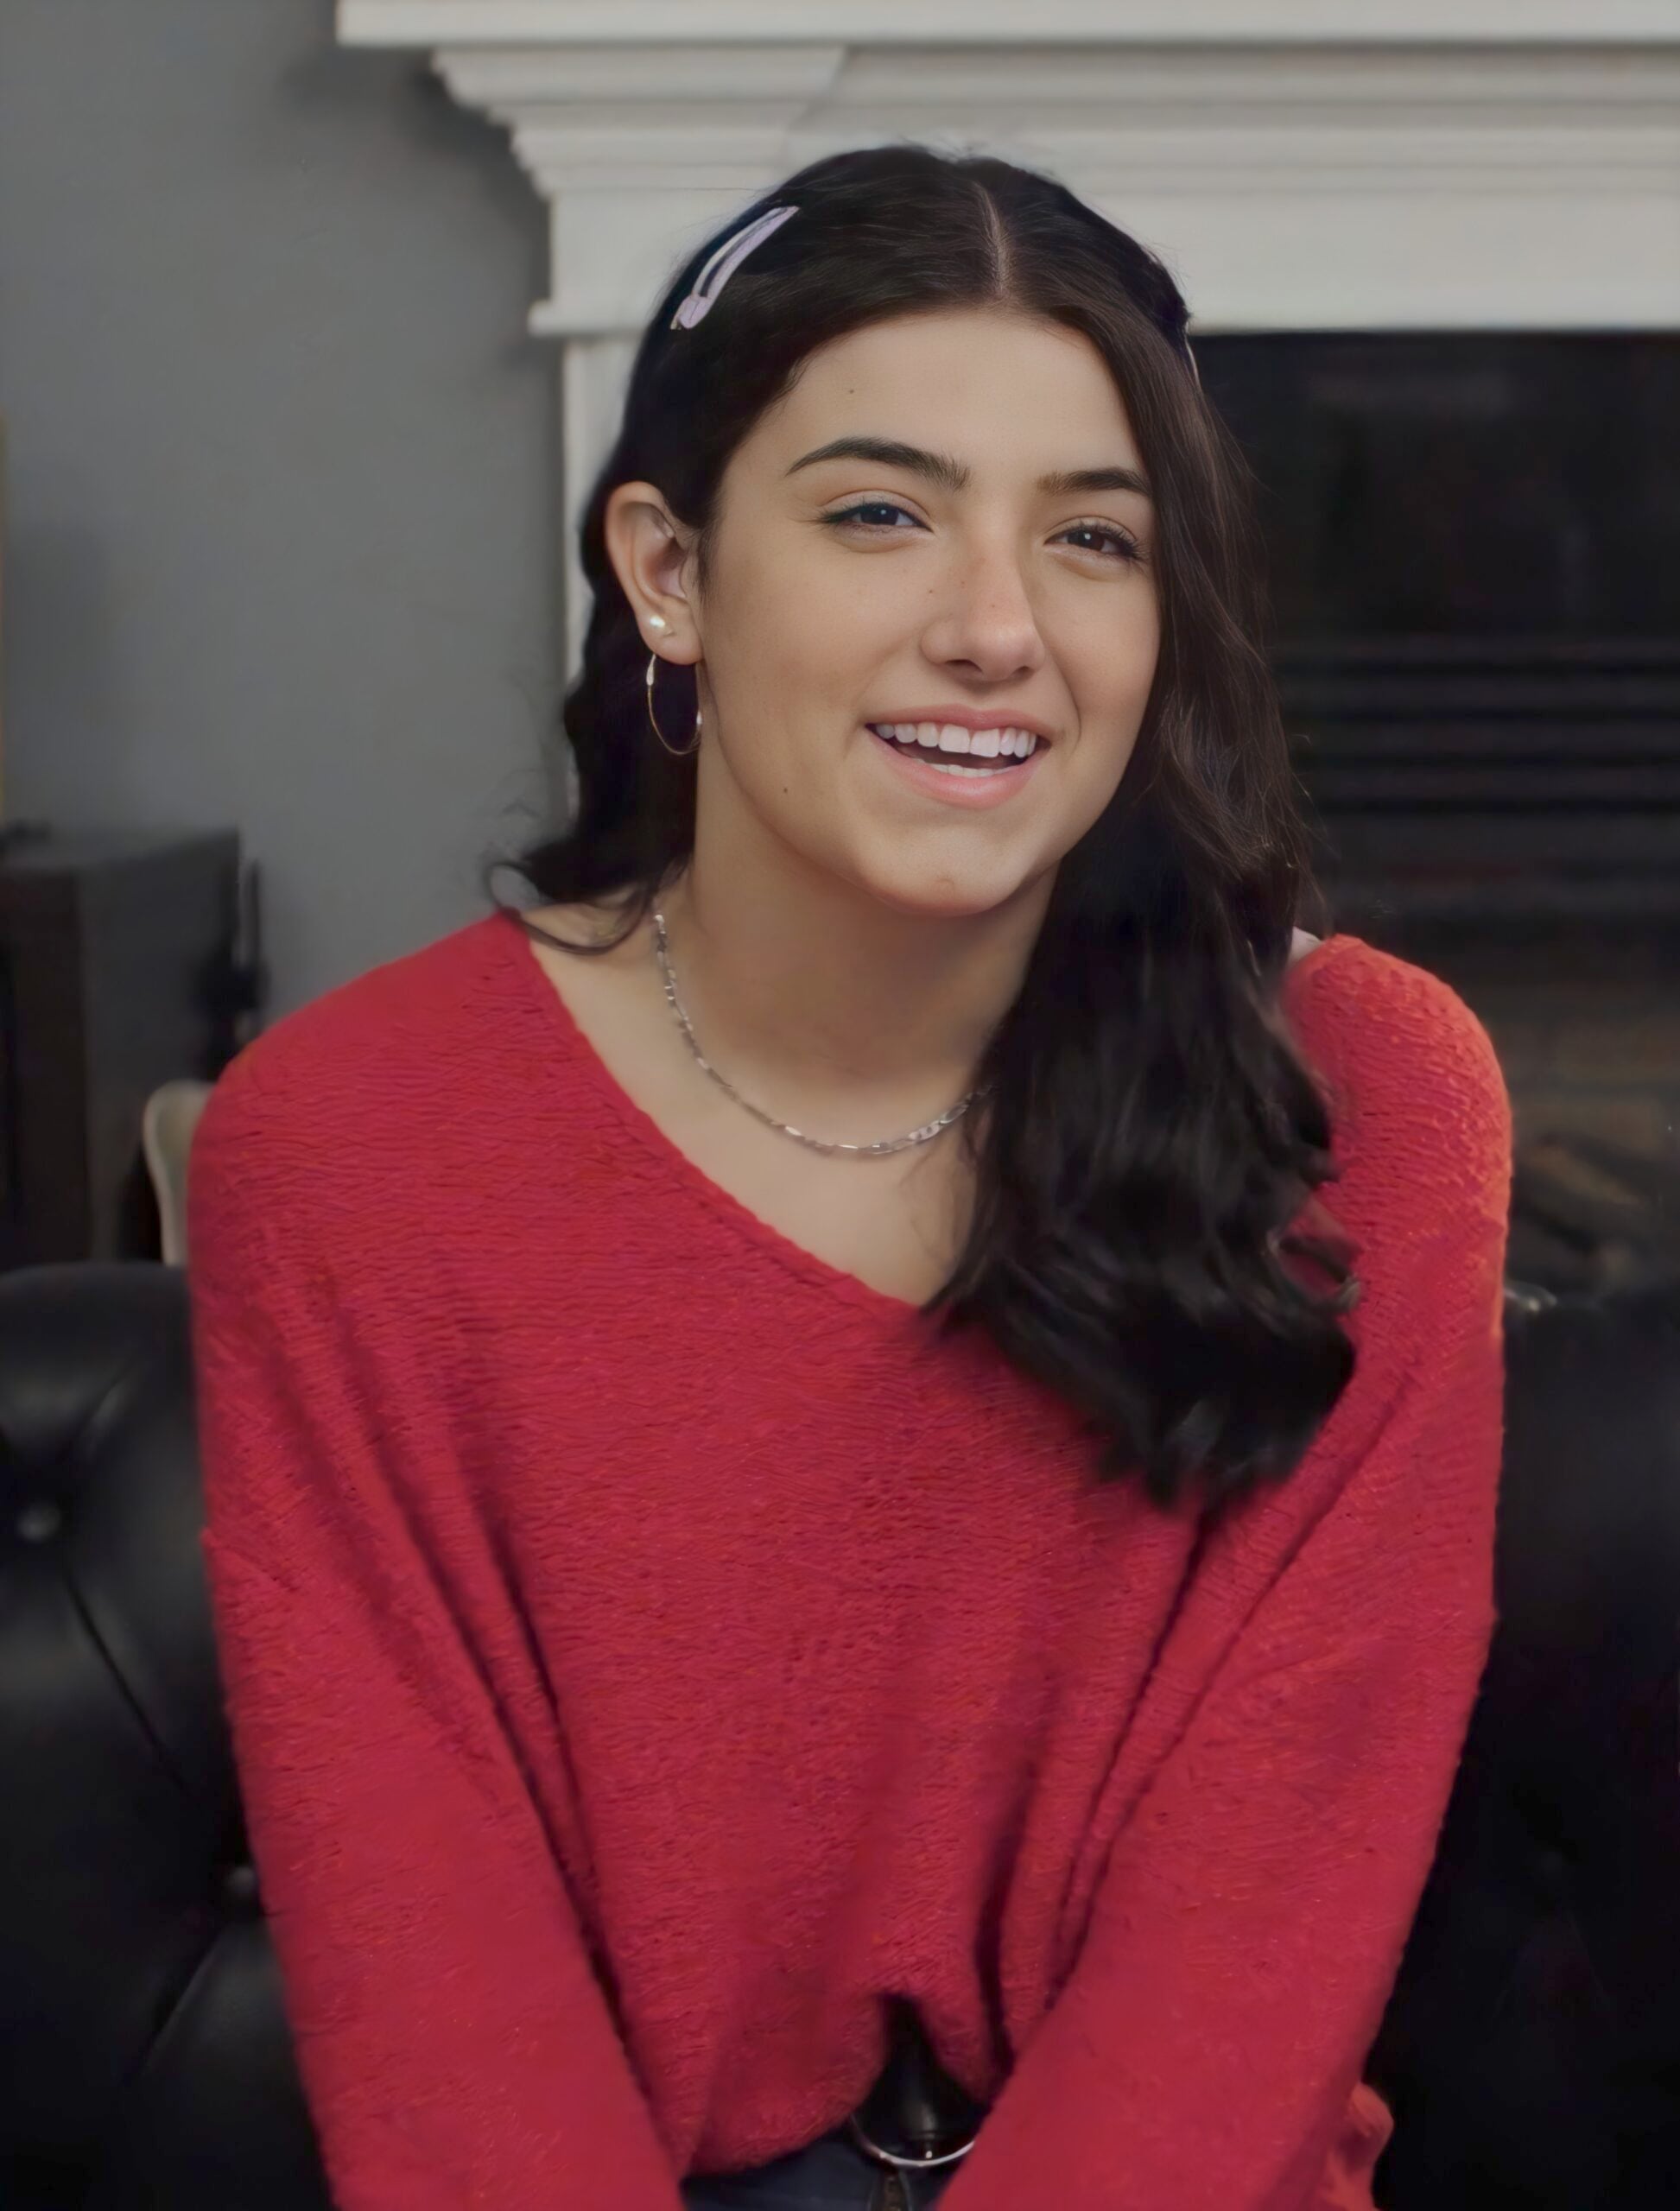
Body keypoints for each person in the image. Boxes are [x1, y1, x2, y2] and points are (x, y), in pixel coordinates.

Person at [185, 145, 1513, 2211]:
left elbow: (1267, 1926)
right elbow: (434, 2002)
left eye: (1092, 537)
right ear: (670, 571)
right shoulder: (343, 1151)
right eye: (878, 512)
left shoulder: (1373, 1098)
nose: (994, 627)